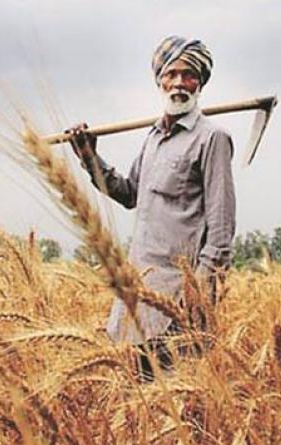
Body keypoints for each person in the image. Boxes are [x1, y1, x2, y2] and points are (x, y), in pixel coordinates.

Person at [66, 36, 236, 381]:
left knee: (176, 403)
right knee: (136, 398)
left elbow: (220, 233)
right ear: (159, 80)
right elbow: (129, 194)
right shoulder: (153, 138)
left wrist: (197, 297)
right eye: (170, 74)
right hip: (139, 294)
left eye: (188, 74)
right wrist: (89, 157)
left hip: (178, 301)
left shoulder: (211, 138)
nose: (178, 82)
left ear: (200, 82)